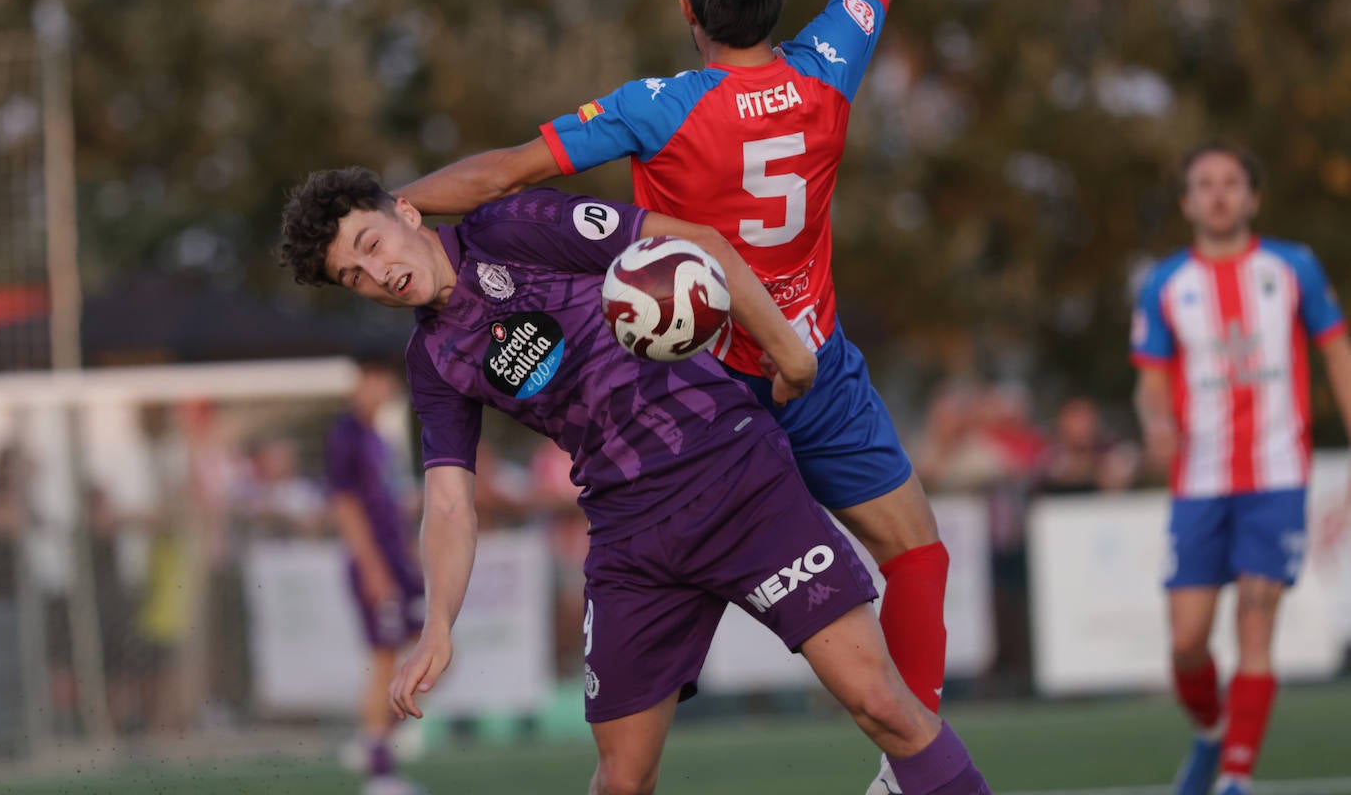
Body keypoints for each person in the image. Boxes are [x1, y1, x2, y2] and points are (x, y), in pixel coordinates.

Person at [394, 0, 976, 785]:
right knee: (917, 557)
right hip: (814, 365)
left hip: (691, 398)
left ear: (688, 9)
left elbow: (502, 175)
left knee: (634, 733)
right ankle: (900, 768)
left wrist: (396, 207)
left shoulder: (656, 107)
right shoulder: (832, 64)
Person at [278, 168, 991, 795]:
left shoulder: (510, 228)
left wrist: (789, 354)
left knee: (882, 706)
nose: (378, 276)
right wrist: (437, 624)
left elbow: (698, 244)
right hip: (631, 537)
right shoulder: (432, 362)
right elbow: (447, 501)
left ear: (405, 212)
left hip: (737, 479)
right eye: (354, 277)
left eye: (371, 246)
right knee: (622, 779)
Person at [1130, 140, 1351, 795]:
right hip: (1198, 482)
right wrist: (1156, 423)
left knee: (1257, 618)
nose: (1219, 194)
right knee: (1187, 645)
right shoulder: (1165, 284)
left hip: (1277, 475)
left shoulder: (1293, 269)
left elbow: (1336, 350)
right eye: (1205, 183)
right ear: (1188, 202)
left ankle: (1236, 776)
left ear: (1252, 197)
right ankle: (1210, 734)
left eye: (1232, 182)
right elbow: (1149, 380)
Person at [326, 358, 426, 795]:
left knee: (426, 653)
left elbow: (388, 504)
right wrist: (373, 568)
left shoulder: (377, 438)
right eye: (380, 379)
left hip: (394, 561)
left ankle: (377, 737)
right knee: (385, 661)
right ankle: (379, 770)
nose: (386, 389)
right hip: (376, 565)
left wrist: (407, 557)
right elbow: (345, 506)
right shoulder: (345, 435)